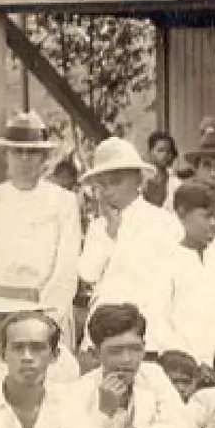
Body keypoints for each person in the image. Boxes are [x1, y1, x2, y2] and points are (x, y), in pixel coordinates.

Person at [0, 112, 81, 344]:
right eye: (17, 152)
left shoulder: (64, 202)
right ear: (6, 156)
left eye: (32, 152)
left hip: (46, 309)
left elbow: (66, 266)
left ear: (44, 158)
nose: (25, 159)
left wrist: (48, 316)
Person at [76, 136, 180, 351]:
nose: (108, 191)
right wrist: (109, 234)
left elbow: (174, 283)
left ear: (138, 181)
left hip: (150, 331)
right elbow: (88, 273)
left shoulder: (164, 222)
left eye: (115, 182)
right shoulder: (98, 227)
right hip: (104, 329)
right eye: (101, 185)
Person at [158, 181, 215, 380]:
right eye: (206, 216)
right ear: (181, 214)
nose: (214, 223)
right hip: (182, 368)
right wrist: (192, 364)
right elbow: (161, 321)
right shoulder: (166, 259)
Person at [141, 130, 182, 209]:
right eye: (160, 150)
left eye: (168, 151)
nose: (165, 154)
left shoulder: (177, 184)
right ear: (150, 152)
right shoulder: (139, 181)